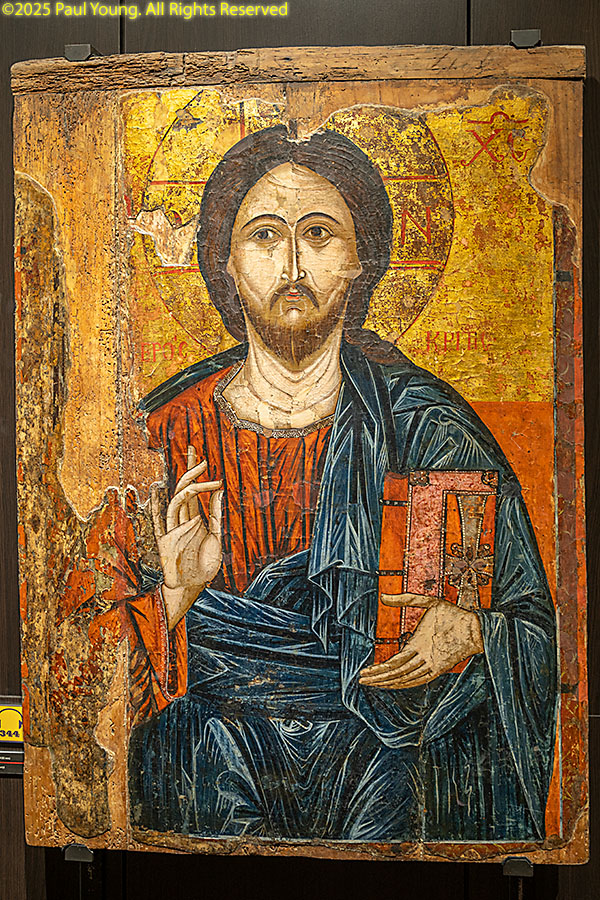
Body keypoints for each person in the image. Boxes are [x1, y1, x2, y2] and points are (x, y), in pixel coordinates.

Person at [108, 125, 557, 842]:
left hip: (387, 764)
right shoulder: (159, 434)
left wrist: (475, 631)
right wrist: (174, 595)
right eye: (263, 236)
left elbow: (532, 627)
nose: (291, 263)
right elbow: (81, 672)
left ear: (359, 260)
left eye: (318, 234)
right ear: (224, 262)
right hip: (205, 762)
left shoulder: (426, 428)